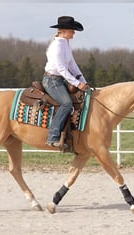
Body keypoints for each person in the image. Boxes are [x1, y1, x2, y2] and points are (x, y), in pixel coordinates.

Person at [42, 16, 90, 148]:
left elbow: (73, 65)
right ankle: (52, 137)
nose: (74, 33)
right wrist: (76, 83)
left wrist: (83, 82)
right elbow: (61, 68)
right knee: (67, 104)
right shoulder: (57, 46)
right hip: (52, 80)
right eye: (72, 30)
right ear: (63, 31)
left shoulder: (65, 44)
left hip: (59, 80)